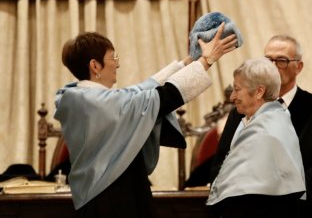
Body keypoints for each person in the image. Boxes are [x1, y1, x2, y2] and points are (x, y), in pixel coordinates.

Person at [53, 25, 237, 217]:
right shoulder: (97, 102)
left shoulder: (81, 97)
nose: (117, 64)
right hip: (114, 199)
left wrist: (188, 61)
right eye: (113, 58)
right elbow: (163, 97)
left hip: (102, 197)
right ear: (95, 65)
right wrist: (207, 60)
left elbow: (141, 90)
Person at [211, 35, 312, 218]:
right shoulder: (242, 110)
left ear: (298, 67)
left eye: (281, 60)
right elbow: (221, 164)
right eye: (267, 60)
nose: (272, 66)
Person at [207, 57, 306, 218]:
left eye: (237, 89)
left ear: (259, 91)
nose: (232, 97)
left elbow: (253, 198)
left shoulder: (268, 132)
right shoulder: (256, 120)